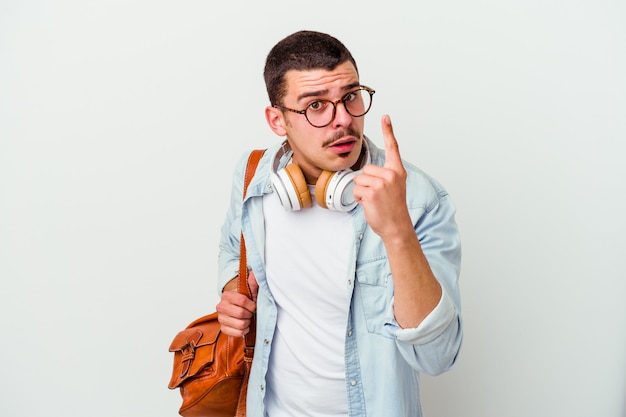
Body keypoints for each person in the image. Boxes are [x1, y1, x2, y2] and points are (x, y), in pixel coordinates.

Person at [216, 30, 462, 417]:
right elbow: (233, 250)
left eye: (350, 97)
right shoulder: (254, 178)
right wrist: (234, 293)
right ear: (277, 120)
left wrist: (397, 231)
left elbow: (437, 356)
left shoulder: (419, 199)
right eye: (316, 105)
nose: (343, 120)